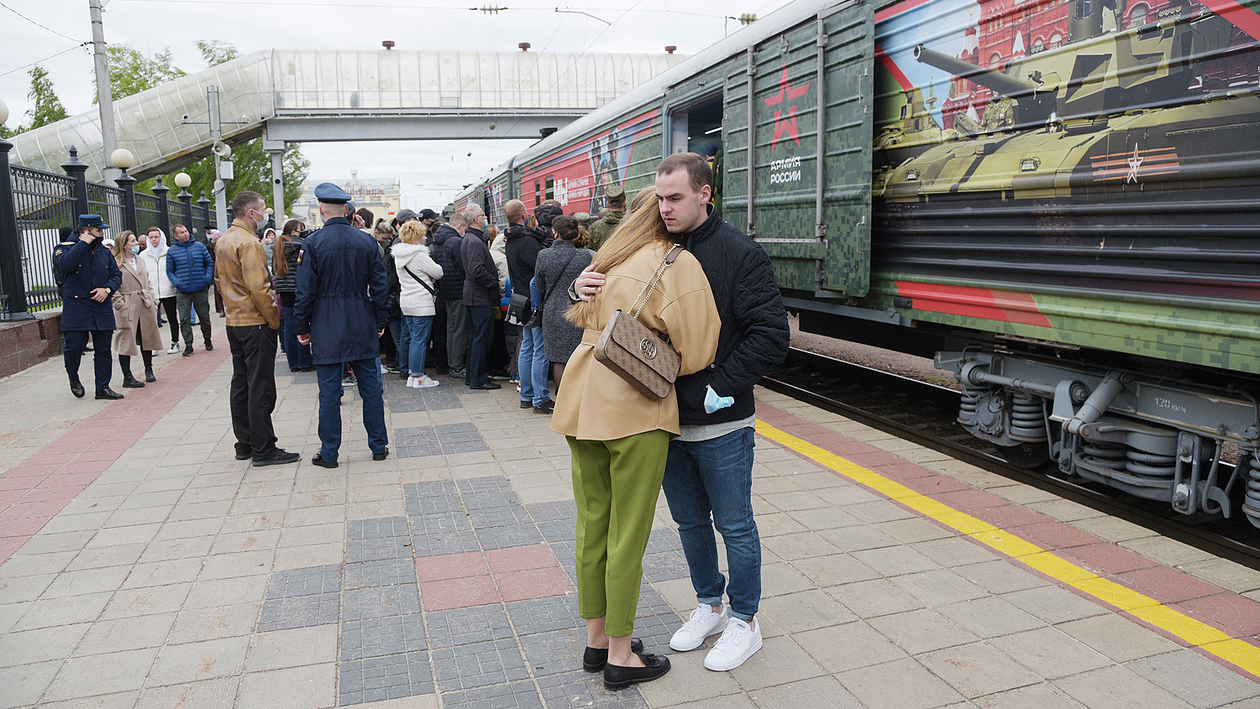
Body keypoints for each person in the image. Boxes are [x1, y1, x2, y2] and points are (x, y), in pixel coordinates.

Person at [575, 153, 790, 671]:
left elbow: (771, 334)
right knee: (690, 523)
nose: (664, 207)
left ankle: (745, 619)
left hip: (721, 420)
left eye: (675, 198)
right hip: (660, 417)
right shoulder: (649, 249)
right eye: (659, 197)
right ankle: (709, 604)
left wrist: (720, 385)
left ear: (704, 194)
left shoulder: (741, 253)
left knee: (734, 524)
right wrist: (578, 287)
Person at [553, 185, 720, 691]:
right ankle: (622, 657)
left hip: (582, 401)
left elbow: (575, 313)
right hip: (635, 408)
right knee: (628, 532)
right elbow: (697, 350)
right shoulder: (675, 263)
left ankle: (597, 640)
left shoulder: (603, 260)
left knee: (592, 525)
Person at [294, 183, 391, 469]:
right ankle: (378, 446)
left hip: (326, 321)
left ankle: (330, 453)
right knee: (371, 388)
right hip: (362, 318)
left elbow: (305, 290)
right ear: (347, 210)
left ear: (321, 210)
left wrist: (302, 325)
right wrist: (380, 320)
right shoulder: (367, 242)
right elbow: (381, 286)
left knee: (329, 391)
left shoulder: (312, 244)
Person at [214, 191, 301, 467]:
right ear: (252, 213)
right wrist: (273, 319)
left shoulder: (225, 239)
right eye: (263, 209)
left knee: (241, 382)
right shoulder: (249, 243)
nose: (267, 214)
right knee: (260, 385)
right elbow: (259, 288)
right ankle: (264, 447)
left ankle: (245, 443)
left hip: (234, 320)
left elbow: (219, 280)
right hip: (255, 322)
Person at [55, 215, 123, 399]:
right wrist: (82, 244)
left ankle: (102, 387)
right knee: (74, 346)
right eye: (98, 230)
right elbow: (65, 265)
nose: (102, 233)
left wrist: (107, 289)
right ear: (86, 231)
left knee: (103, 350)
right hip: (77, 306)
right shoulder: (64, 249)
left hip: (100, 305)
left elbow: (116, 275)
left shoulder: (103, 252)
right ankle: (73, 377)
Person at [533, 215, 593, 391]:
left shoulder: (543, 255)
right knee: (579, 357)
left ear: (555, 232)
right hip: (578, 310)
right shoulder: (584, 255)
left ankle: (562, 400)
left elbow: (539, 285)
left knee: (559, 360)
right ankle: (578, 398)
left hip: (553, 312)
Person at [503, 199, 551, 413]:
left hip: (520, 299)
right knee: (538, 349)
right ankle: (539, 397)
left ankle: (526, 394)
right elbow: (539, 268)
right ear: (523, 214)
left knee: (526, 347)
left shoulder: (510, 239)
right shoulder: (527, 240)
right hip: (533, 299)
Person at [392, 220, 442, 389]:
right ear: (417, 238)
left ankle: (412, 375)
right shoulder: (419, 255)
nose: (426, 239)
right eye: (423, 236)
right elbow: (438, 272)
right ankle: (418, 375)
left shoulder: (399, 256)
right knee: (420, 341)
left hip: (406, 301)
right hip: (421, 302)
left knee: (413, 338)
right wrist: (430, 277)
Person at [109, 231, 161, 387]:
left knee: (147, 336)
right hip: (127, 303)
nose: (137, 244)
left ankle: (148, 369)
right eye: (133, 241)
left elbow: (147, 281)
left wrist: (153, 299)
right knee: (126, 339)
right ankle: (127, 376)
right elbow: (112, 286)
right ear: (125, 245)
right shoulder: (116, 262)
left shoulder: (140, 260)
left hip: (144, 302)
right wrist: (120, 305)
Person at [458, 205, 500, 390]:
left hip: (474, 295)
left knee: (476, 337)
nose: (485, 219)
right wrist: (494, 282)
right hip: (479, 296)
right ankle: (478, 379)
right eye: (483, 216)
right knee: (481, 338)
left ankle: (473, 376)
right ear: (476, 219)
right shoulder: (474, 241)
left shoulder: (469, 238)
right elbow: (476, 270)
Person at [166, 223, 215, 356]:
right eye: (181, 232)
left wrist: (206, 279)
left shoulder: (199, 247)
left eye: (186, 231)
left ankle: (207, 339)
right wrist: (177, 282)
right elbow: (169, 271)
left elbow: (209, 263)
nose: (185, 234)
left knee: (204, 317)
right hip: (183, 291)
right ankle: (188, 344)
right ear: (176, 236)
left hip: (200, 288)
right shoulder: (172, 251)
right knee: (184, 319)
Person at [431, 211, 468, 379]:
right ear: (459, 226)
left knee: (451, 329)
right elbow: (464, 267)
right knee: (459, 330)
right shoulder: (456, 242)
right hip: (458, 290)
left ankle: (451, 363)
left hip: (445, 291)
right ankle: (457, 366)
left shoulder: (437, 242)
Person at [139, 226, 180, 353]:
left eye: (156, 237)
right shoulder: (143, 255)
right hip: (152, 292)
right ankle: (153, 345)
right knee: (151, 320)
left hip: (168, 291)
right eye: (151, 237)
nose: (154, 240)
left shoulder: (169, 251)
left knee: (172, 317)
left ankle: (175, 342)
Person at [587, 183, 625, 251]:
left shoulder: (596, 227)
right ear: (625, 203)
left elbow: (591, 252)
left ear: (608, 204)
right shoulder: (634, 222)